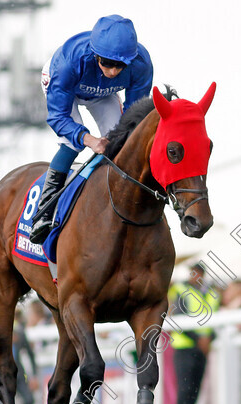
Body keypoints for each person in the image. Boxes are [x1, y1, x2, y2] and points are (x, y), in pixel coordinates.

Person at [29, 14, 154, 244]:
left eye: (120, 65)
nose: (114, 71)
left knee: (121, 141)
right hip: (66, 86)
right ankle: (43, 213)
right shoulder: (69, 62)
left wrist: (118, 138)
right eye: (107, 63)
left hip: (102, 94)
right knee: (71, 143)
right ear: (96, 54)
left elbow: (134, 114)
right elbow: (58, 117)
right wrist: (90, 140)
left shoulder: (141, 64)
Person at [168, 263, 220, 404]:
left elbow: (215, 320)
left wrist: (209, 339)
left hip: (202, 347)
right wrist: (200, 340)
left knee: (196, 386)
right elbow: (179, 319)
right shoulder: (180, 290)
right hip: (184, 346)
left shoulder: (210, 293)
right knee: (185, 386)